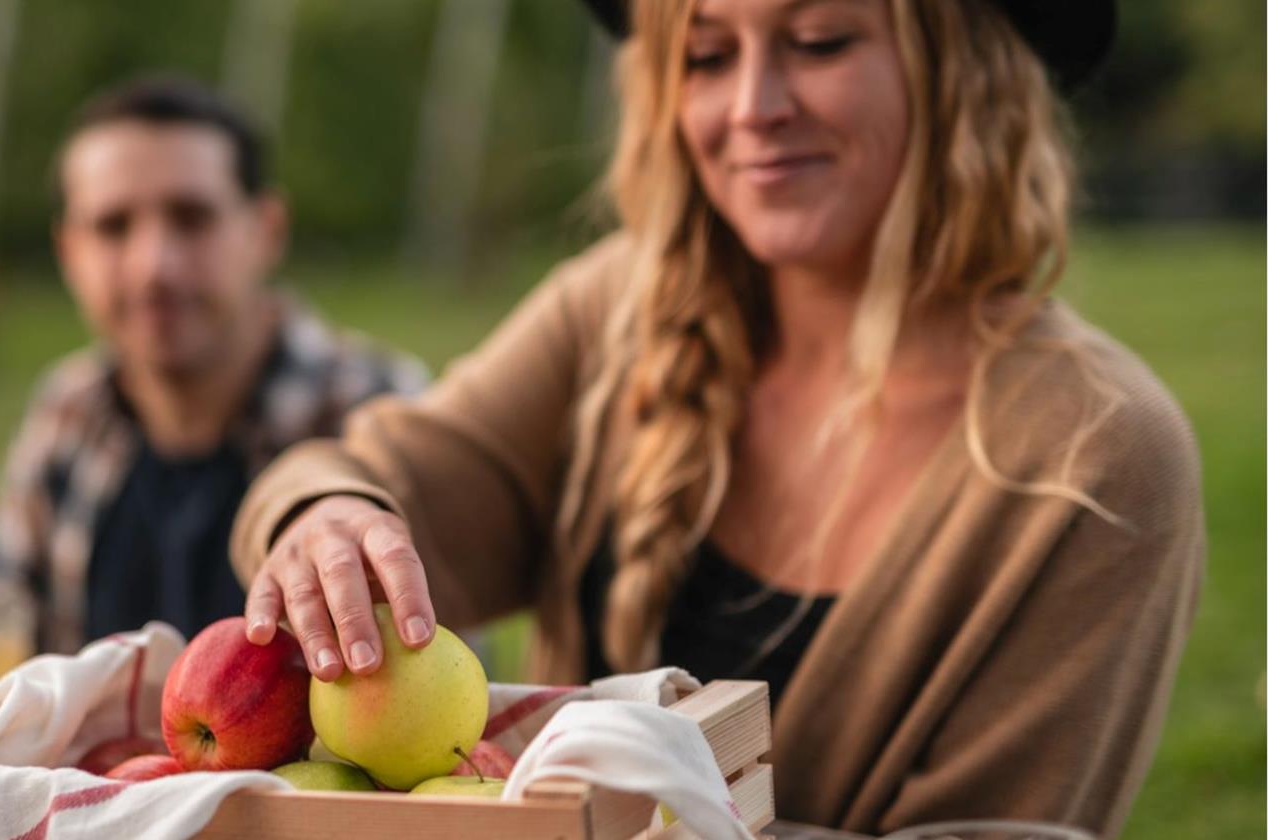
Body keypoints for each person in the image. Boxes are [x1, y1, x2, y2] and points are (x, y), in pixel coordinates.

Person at [231, 0, 1202, 835]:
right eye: (704, 54)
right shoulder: (616, 313)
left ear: (959, 65)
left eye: (819, 40)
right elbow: (364, 476)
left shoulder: (1096, 454)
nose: (752, 107)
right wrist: (327, 520)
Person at [0, 77, 429, 654]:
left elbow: (438, 682)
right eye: (113, 226)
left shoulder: (376, 406)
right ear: (69, 253)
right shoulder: (68, 411)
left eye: (191, 218)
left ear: (265, 231)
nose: (154, 266)